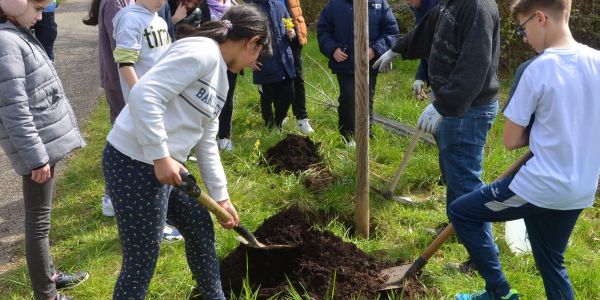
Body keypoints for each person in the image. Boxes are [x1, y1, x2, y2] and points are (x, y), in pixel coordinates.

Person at [102, 5, 271, 299]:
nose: (251, 64)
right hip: (133, 161)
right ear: (252, 41)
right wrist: (160, 156)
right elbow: (144, 94)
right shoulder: (201, 52)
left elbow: (206, 138)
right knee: (141, 259)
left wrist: (222, 196)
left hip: (167, 166)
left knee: (198, 224)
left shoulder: (220, 74)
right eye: (257, 54)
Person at [449, 0, 600, 299]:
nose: (524, 37)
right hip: (581, 188)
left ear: (540, 17)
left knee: (461, 212)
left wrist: (545, 130)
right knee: (551, 262)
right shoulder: (597, 61)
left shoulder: (535, 70)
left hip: (539, 186)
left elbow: (510, 140)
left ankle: (498, 291)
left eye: (522, 29)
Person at [0, 0, 89, 299]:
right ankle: (47, 294)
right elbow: (14, 109)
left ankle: (49, 274)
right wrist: (37, 158)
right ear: (13, 5)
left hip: (43, 144)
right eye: (37, 8)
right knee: (38, 224)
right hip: (38, 149)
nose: (42, 15)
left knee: (42, 220)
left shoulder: (15, 31)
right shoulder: (5, 41)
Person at [317, 0, 398, 146]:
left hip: (369, 64)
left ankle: (366, 134)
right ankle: (348, 137)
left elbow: (391, 31)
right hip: (345, 63)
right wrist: (333, 49)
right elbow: (323, 31)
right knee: (348, 97)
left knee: (367, 97)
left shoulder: (378, 3)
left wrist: (375, 50)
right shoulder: (335, 4)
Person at [246, 0, 295, 129]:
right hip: (263, 61)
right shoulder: (250, 8)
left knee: (289, 94)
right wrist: (249, 59)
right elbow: (244, 38)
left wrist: (292, 34)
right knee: (267, 96)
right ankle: (269, 125)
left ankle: (279, 120)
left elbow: (289, 26)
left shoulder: (279, 5)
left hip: (284, 59)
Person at [199, 0, 240, 151]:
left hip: (230, 60)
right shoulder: (202, 6)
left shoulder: (234, 7)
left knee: (227, 97)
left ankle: (224, 136)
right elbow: (200, 32)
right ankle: (204, 137)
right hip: (209, 60)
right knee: (206, 96)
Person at [280, 0, 314, 135]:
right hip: (274, 38)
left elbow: (295, 10)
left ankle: (302, 118)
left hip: (293, 37)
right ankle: (280, 115)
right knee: (279, 79)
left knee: (298, 78)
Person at [405, 0, 438, 101]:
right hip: (436, 78)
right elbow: (426, 46)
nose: (406, 2)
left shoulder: (438, 7)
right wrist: (420, 77)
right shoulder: (418, 8)